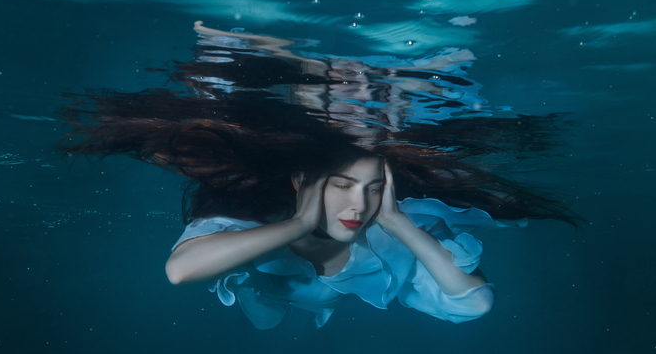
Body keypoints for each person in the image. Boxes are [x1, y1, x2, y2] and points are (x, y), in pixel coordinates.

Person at [58, 24, 577, 328]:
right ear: (303, 181)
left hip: (319, 298)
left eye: (375, 189)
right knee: (267, 315)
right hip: (271, 298)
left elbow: (478, 302)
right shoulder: (259, 216)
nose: (359, 206)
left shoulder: (388, 233)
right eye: (343, 186)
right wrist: (299, 223)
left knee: (301, 304)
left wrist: (398, 224)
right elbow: (178, 270)